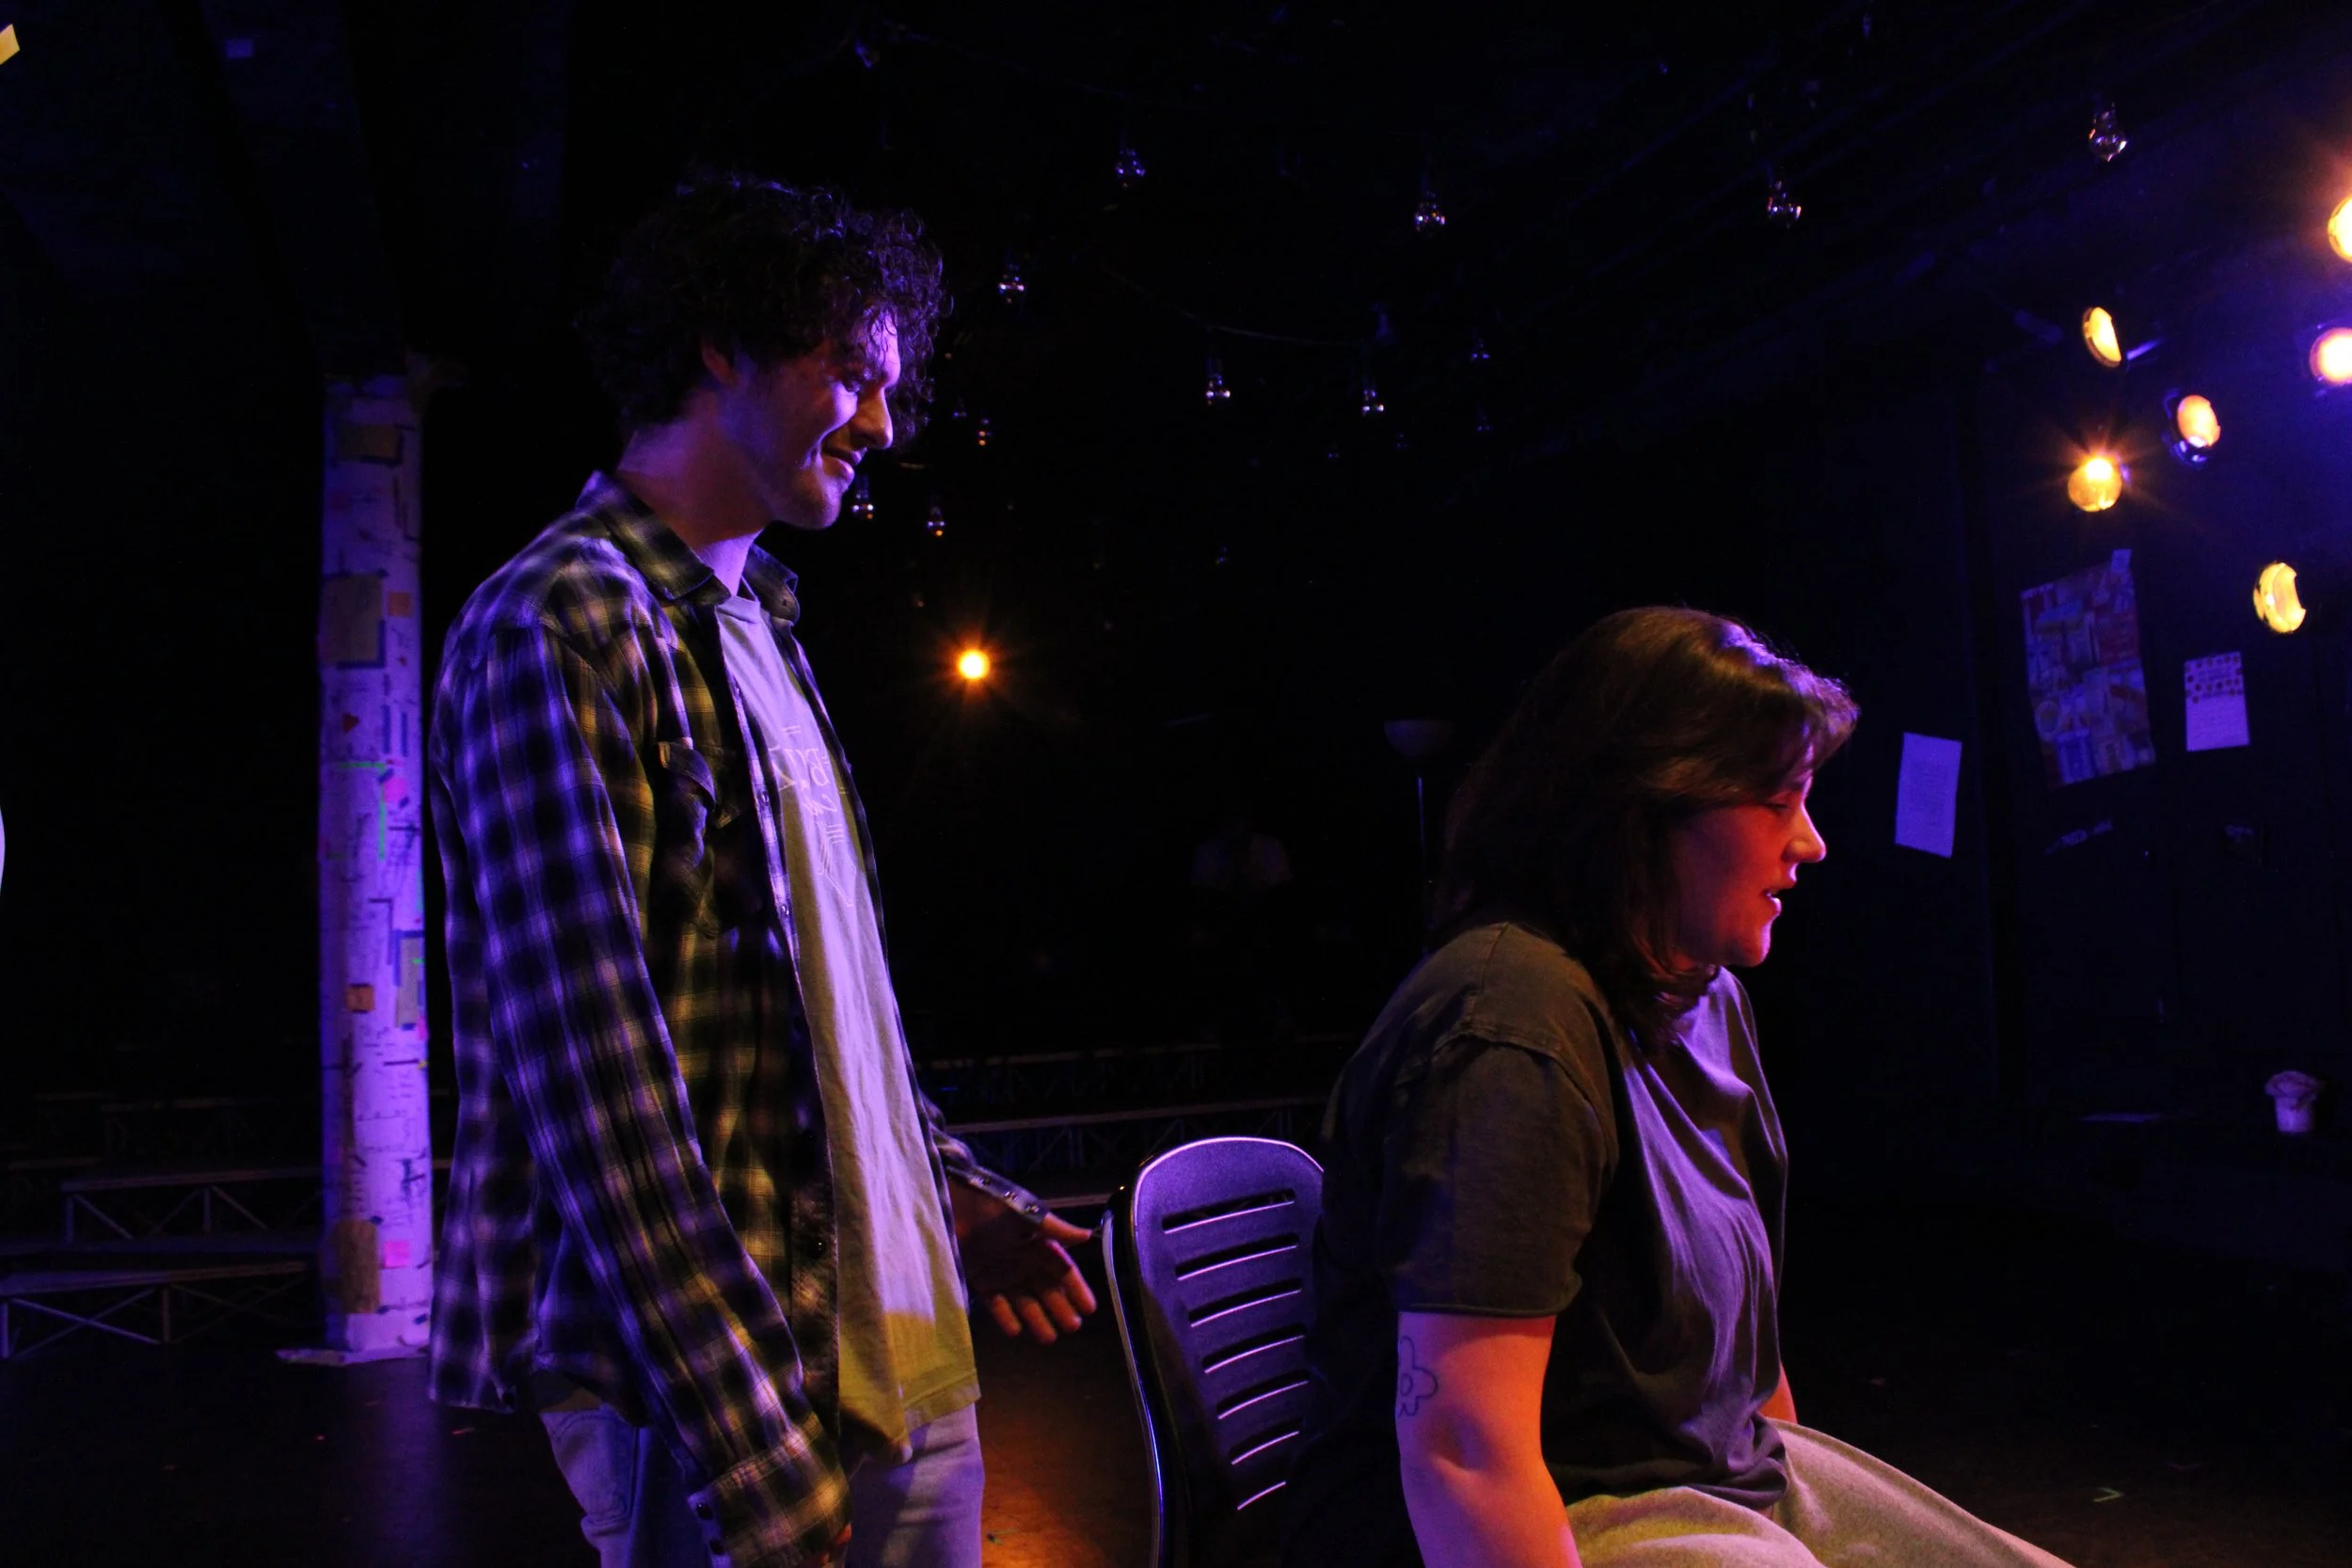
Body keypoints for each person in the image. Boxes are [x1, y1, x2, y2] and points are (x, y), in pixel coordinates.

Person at [426, 180, 1096, 1568]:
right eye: (852, 370)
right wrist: (746, 1440)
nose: (882, 423)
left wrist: (949, 1191)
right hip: (724, 1386)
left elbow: (831, 1023)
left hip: (901, 1343)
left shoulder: (761, 625)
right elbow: (599, 1090)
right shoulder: (557, 623)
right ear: (722, 344)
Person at [1280, 609, 2071, 1568]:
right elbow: (1463, 1456)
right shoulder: (1515, 1032)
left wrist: (1796, 1522)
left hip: (1703, 1494)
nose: (1812, 842)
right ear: (1646, 809)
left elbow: (1744, 1373)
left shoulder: (1704, 995)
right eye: (1778, 799)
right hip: (1548, 1517)